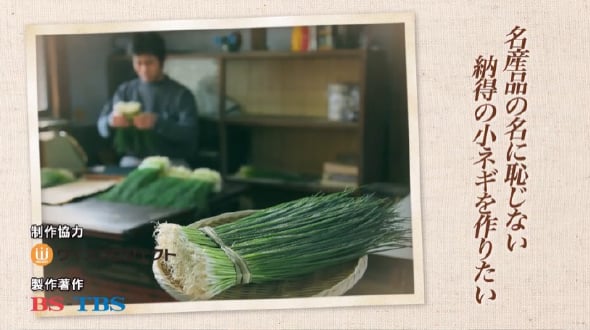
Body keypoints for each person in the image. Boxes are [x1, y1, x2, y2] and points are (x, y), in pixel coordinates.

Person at [97, 32, 198, 167]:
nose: (144, 69)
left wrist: (157, 123)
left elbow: (190, 133)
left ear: (162, 61)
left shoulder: (182, 95)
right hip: (132, 162)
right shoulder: (125, 91)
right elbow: (101, 126)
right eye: (138, 63)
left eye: (149, 63)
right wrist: (111, 121)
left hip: (172, 161)